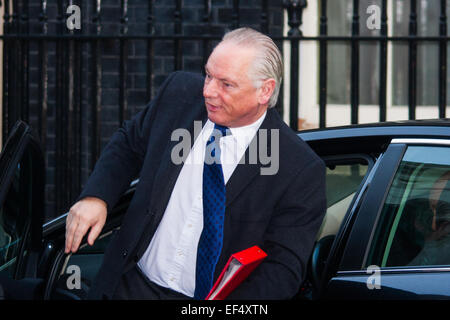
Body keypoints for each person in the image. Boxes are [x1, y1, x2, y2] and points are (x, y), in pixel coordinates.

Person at [64, 27, 326, 300]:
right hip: (129, 285)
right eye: (208, 75)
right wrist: (96, 197)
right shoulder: (179, 95)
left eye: (226, 84)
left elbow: (282, 271)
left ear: (265, 90)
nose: (209, 91)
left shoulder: (299, 169)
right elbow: (129, 143)